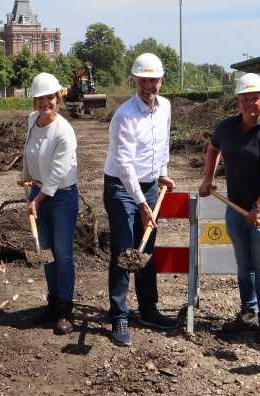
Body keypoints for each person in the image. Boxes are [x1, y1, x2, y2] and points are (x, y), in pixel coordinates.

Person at [198, 73, 260, 348]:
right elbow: (213, 149)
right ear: (237, 101)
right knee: (243, 266)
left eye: (255, 99)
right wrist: (207, 179)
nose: (250, 103)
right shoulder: (226, 128)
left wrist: (259, 206)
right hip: (236, 209)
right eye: (244, 99)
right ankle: (247, 313)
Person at [103, 52, 179, 347]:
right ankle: (119, 314)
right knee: (125, 251)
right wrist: (142, 204)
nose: (149, 85)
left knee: (147, 249)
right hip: (121, 187)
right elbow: (124, 166)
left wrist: (162, 173)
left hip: (149, 185)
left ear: (161, 80)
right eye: (143, 80)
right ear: (134, 80)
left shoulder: (166, 107)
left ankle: (148, 309)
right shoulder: (125, 114)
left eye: (154, 80)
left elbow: (163, 144)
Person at [18, 72, 79, 335]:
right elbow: (28, 150)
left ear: (58, 98)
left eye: (51, 97)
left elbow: (57, 173)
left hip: (61, 197)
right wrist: (26, 176)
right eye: (41, 98)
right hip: (39, 192)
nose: (46, 103)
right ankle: (52, 303)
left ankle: (65, 310)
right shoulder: (32, 120)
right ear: (35, 101)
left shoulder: (64, 131)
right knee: (47, 253)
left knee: (63, 254)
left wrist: (38, 200)